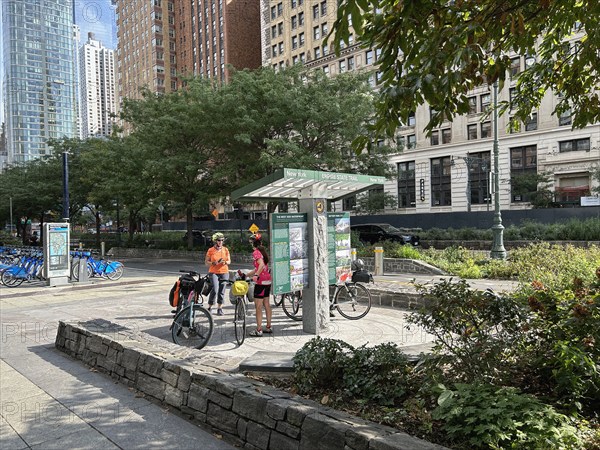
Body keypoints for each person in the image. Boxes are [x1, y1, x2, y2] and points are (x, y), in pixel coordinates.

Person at [246, 233, 273, 337]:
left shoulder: (256, 252)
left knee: (258, 306)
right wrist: (247, 274)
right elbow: (260, 267)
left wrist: (256, 275)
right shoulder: (263, 252)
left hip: (261, 282)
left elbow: (260, 265)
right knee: (266, 304)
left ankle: (259, 330)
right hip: (267, 280)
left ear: (253, 243)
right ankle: (269, 327)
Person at [204, 232, 230, 315]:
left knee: (222, 291)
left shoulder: (225, 249)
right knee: (215, 289)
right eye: (219, 240)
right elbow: (206, 262)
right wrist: (213, 263)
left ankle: (220, 308)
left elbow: (229, 261)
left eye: (222, 240)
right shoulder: (210, 250)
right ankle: (210, 306)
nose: (221, 242)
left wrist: (225, 262)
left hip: (224, 271)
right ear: (215, 241)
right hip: (213, 272)